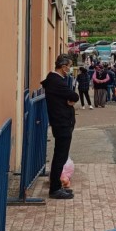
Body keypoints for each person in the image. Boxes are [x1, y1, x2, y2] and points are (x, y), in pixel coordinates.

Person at [40, 55, 79, 199]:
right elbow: (74, 96)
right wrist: (71, 100)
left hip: (62, 122)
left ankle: (56, 185)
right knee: (60, 156)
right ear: (63, 67)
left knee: (60, 155)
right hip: (61, 123)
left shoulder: (55, 80)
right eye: (69, 66)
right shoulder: (56, 81)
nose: (70, 69)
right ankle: (55, 189)